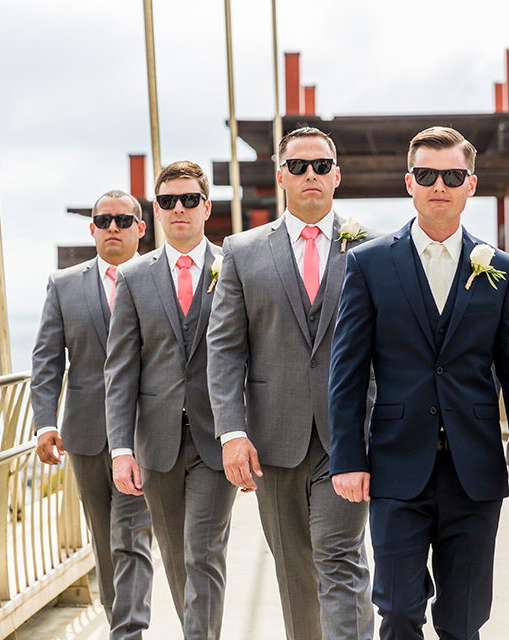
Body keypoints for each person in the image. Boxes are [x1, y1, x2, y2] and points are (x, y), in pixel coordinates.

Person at [328, 126, 509, 640]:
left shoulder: (500, 267)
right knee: (399, 608)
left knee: (464, 618)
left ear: (471, 184)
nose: (439, 185)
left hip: (475, 470)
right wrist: (348, 458)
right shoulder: (368, 263)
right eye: (427, 175)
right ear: (410, 182)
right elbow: (348, 372)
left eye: (452, 175)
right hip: (395, 467)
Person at [207, 126, 376, 640]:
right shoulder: (241, 251)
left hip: (349, 437)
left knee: (340, 560)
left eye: (321, 166)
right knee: (294, 571)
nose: (310, 175)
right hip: (271, 439)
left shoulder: (373, 249)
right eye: (299, 166)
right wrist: (231, 432)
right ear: (280, 175)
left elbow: (393, 348)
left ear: (337, 176)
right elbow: (225, 347)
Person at [105, 161, 236, 640]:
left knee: (203, 551)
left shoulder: (233, 265)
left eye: (187, 199)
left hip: (217, 438)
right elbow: (120, 370)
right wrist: (121, 448)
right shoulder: (135, 277)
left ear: (207, 206)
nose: (178, 208)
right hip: (155, 442)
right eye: (167, 201)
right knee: (178, 557)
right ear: (157, 211)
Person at [31, 190, 153, 640]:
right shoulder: (63, 285)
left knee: (133, 538)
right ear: (92, 229)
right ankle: (120, 621)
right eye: (104, 221)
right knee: (105, 544)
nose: (113, 228)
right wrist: (45, 423)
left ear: (141, 228)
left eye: (123, 220)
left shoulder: (159, 276)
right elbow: (46, 360)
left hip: (142, 434)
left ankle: (128, 633)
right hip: (83, 435)